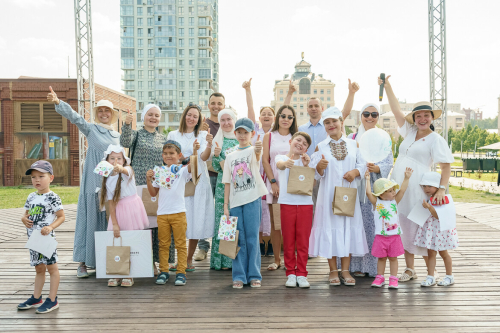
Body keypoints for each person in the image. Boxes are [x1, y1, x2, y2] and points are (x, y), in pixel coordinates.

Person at [381, 75, 454, 282]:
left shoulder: (435, 139)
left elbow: (445, 166)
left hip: (420, 187)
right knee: (403, 224)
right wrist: (388, 87)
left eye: (426, 115)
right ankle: (409, 268)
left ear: (432, 117)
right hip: (400, 186)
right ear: (414, 118)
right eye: (418, 115)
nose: (422, 119)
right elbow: (396, 111)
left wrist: (441, 189)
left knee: (420, 225)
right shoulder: (409, 132)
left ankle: (432, 270)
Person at [47, 87, 120, 278]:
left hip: (110, 184)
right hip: (92, 182)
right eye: (101, 111)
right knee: (89, 220)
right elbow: (75, 118)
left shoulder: (118, 136)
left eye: (107, 111)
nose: (104, 114)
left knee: (107, 222)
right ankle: (83, 262)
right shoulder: (91, 128)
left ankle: (105, 261)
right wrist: (58, 102)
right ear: (97, 114)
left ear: (112, 115)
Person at [309, 107, 367, 286]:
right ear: (324, 126)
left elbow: (363, 164)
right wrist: (319, 167)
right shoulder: (321, 146)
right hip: (328, 195)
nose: (331, 125)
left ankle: (345, 270)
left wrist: (355, 171)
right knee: (331, 228)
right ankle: (333, 270)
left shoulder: (353, 143)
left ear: (341, 122)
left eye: (334, 121)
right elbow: (315, 175)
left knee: (346, 228)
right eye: (327, 122)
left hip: (347, 194)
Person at [121, 104, 174, 275]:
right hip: (138, 187)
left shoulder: (162, 138)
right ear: (143, 117)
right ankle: (146, 261)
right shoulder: (136, 135)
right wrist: (127, 125)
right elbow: (124, 142)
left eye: (157, 115)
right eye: (150, 115)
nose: (153, 118)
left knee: (159, 226)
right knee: (143, 226)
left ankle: (160, 261)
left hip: (157, 188)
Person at [243, 78, 289, 256]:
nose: (267, 115)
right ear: (260, 118)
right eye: (264, 114)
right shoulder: (255, 131)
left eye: (271, 113)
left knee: (272, 210)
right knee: (260, 210)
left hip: (273, 172)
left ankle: (272, 244)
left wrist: (289, 94)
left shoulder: (278, 134)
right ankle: (261, 242)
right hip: (257, 173)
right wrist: (248, 90)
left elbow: (286, 110)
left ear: (275, 117)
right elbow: (250, 112)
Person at [299, 80, 360, 212]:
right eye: (311, 106)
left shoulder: (332, 123)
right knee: (316, 208)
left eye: (316, 105)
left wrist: (351, 93)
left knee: (342, 212)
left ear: (322, 108)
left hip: (340, 178)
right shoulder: (301, 129)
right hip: (315, 173)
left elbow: (345, 112)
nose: (331, 124)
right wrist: (316, 168)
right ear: (307, 109)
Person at [167, 104, 215, 272]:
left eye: (195, 116)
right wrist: (186, 158)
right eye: (189, 115)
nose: (192, 118)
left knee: (195, 218)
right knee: (179, 219)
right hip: (179, 179)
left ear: (199, 120)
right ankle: (177, 259)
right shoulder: (173, 134)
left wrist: (208, 145)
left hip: (198, 180)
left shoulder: (203, 135)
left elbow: (203, 157)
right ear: (184, 116)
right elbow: (170, 157)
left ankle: (188, 260)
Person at [348, 103, 394, 278]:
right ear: (360, 116)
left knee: (372, 226)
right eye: (366, 113)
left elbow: (389, 161)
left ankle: (372, 267)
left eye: (374, 114)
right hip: (355, 185)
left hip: (374, 187)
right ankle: (353, 266)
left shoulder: (384, 138)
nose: (370, 117)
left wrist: (376, 168)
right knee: (354, 225)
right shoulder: (352, 137)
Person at [222, 118, 268, 288]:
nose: (242, 135)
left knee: (252, 238)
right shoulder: (229, 156)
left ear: (252, 134)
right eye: (239, 132)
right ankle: (239, 276)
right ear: (235, 134)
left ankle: (255, 275)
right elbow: (227, 182)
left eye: (246, 132)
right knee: (238, 238)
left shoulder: (253, 150)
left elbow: (257, 155)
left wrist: (258, 149)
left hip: (252, 199)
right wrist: (225, 206)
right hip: (234, 203)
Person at [18, 161, 65, 314]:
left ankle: (52, 299)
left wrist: (51, 226)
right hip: (33, 239)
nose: (36, 180)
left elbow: (61, 217)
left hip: (46, 239)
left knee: (52, 268)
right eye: (33, 177)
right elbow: (25, 215)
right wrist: (23, 219)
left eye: (41, 176)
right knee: (39, 268)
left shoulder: (53, 197)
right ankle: (36, 297)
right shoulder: (31, 197)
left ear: (51, 178)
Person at [99, 145, 149, 287]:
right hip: (119, 211)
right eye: (112, 158)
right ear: (107, 160)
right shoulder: (108, 179)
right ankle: (117, 272)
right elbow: (111, 204)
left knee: (131, 241)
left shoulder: (128, 170)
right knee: (118, 240)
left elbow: (125, 170)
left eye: (119, 158)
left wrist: (120, 168)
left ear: (124, 160)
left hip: (132, 209)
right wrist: (114, 222)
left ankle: (130, 274)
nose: (116, 161)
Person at [146, 140, 192, 286]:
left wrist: (186, 158)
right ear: (162, 155)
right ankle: (163, 271)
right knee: (163, 244)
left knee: (180, 244)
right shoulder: (159, 171)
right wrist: (148, 179)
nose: (168, 156)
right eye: (165, 154)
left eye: (172, 153)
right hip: (162, 214)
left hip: (178, 213)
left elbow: (193, 166)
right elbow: (153, 193)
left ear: (178, 155)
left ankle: (181, 273)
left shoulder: (182, 170)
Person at [262, 105, 298, 270]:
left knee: (292, 224)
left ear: (293, 120)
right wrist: (273, 182)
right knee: (276, 224)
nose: (286, 119)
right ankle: (277, 260)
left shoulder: (296, 137)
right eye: (283, 116)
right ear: (278, 118)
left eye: (290, 117)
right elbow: (265, 161)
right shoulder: (269, 136)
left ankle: (291, 259)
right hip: (275, 184)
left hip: (293, 185)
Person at [275, 132, 313, 288]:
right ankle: (290, 272)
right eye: (298, 140)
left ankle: (302, 273)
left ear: (306, 149)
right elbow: (280, 166)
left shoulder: (307, 161)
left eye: (304, 144)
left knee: (303, 241)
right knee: (289, 240)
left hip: (305, 204)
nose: (300, 144)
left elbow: (313, 181)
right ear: (290, 141)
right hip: (287, 203)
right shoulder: (281, 158)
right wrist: (288, 163)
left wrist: (307, 165)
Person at [365, 168, 413, 289]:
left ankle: (393, 279)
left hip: (394, 237)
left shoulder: (394, 201)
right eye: (390, 191)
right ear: (381, 194)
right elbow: (369, 193)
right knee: (381, 258)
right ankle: (380, 277)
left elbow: (402, 190)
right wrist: (367, 180)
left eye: (393, 190)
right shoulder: (377, 203)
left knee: (393, 258)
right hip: (381, 237)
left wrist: (406, 178)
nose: (394, 192)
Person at [194, 92, 226, 261]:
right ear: (208, 105)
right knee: (205, 210)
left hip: (224, 175)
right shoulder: (202, 124)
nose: (216, 106)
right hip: (207, 173)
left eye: (219, 103)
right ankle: (203, 246)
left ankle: (222, 247)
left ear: (224, 105)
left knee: (223, 211)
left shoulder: (228, 123)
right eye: (213, 103)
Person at [414, 172, 459, 287]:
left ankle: (449, 276)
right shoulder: (428, 198)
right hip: (432, 231)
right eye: (424, 186)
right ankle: (430, 276)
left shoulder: (441, 198)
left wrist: (429, 207)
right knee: (431, 254)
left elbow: (437, 215)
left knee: (444, 253)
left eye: (429, 186)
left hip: (441, 232)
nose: (426, 189)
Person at [210, 108, 239, 270]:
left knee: (236, 220)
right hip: (223, 186)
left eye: (229, 119)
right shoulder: (218, 140)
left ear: (234, 120)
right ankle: (221, 261)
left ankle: (233, 259)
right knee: (224, 221)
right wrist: (217, 155)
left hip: (240, 187)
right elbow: (216, 167)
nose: (226, 123)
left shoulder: (240, 139)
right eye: (223, 120)